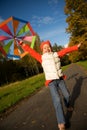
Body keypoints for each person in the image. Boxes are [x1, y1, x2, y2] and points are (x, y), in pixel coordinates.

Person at [19, 40, 81, 130]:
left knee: (67, 95)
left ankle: (67, 105)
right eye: (44, 48)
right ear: (42, 50)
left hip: (60, 79)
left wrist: (76, 47)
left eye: (48, 47)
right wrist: (23, 45)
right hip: (51, 82)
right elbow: (31, 52)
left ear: (50, 48)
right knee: (57, 100)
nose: (47, 49)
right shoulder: (41, 58)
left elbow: (66, 50)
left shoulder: (56, 54)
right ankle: (61, 122)